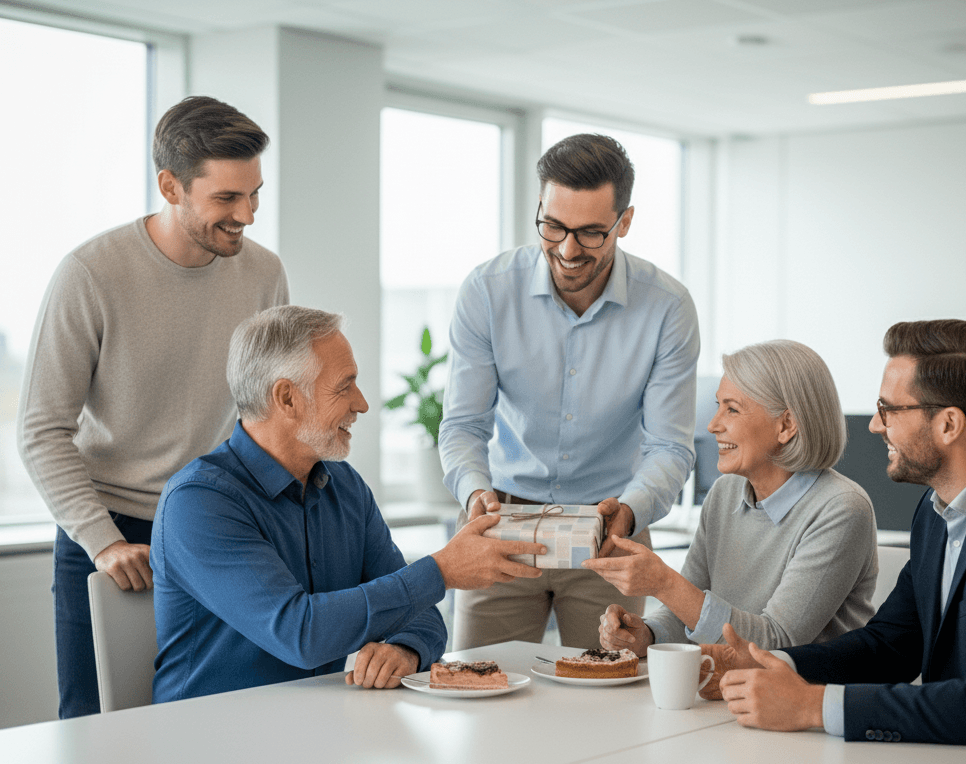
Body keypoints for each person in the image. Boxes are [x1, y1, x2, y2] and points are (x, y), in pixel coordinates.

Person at [16, 95, 289, 718]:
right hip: (111, 529)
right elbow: (41, 429)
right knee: (94, 722)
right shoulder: (90, 273)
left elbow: (262, 414)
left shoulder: (265, 275)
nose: (246, 214)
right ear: (171, 186)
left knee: (218, 712)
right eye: (227, 198)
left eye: (254, 194)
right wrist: (101, 541)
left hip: (213, 521)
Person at [151, 306, 546, 702]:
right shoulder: (199, 503)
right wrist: (441, 571)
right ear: (287, 398)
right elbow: (300, 633)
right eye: (344, 387)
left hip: (314, 725)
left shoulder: (345, 487)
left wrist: (405, 649)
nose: (362, 404)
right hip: (206, 739)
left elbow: (421, 611)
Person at [438, 133, 700, 650]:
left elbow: (670, 446)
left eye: (590, 233)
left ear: (624, 222)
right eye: (552, 226)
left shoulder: (667, 307)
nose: (567, 250)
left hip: (610, 533)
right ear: (539, 205)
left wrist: (629, 511)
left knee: (611, 705)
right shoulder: (488, 291)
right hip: (504, 529)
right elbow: (464, 426)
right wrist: (473, 493)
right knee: (478, 692)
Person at [718, 320, 966, 746]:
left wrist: (813, 706)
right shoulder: (936, 510)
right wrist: (773, 663)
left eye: (889, 410)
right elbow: (892, 645)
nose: (875, 426)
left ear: (949, 424)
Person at [590, 340, 877, 669]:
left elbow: (777, 644)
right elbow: (692, 612)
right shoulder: (725, 493)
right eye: (717, 406)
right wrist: (648, 634)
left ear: (786, 425)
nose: (712, 425)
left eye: (732, 409)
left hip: (806, 706)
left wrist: (664, 583)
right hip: (729, 696)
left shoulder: (841, 508)